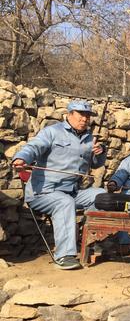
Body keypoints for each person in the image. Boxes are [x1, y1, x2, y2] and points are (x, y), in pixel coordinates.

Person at [12, 100, 106, 270]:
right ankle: (65, 255)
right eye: (81, 114)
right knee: (64, 203)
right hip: (44, 193)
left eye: (87, 115)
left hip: (72, 191)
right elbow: (33, 147)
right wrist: (22, 158)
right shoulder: (52, 132)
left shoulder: (90, 138)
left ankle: (92, 241)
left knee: (102, 196)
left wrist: (100, 153)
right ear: (69, 115)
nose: (85, 119)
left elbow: (96, 164)